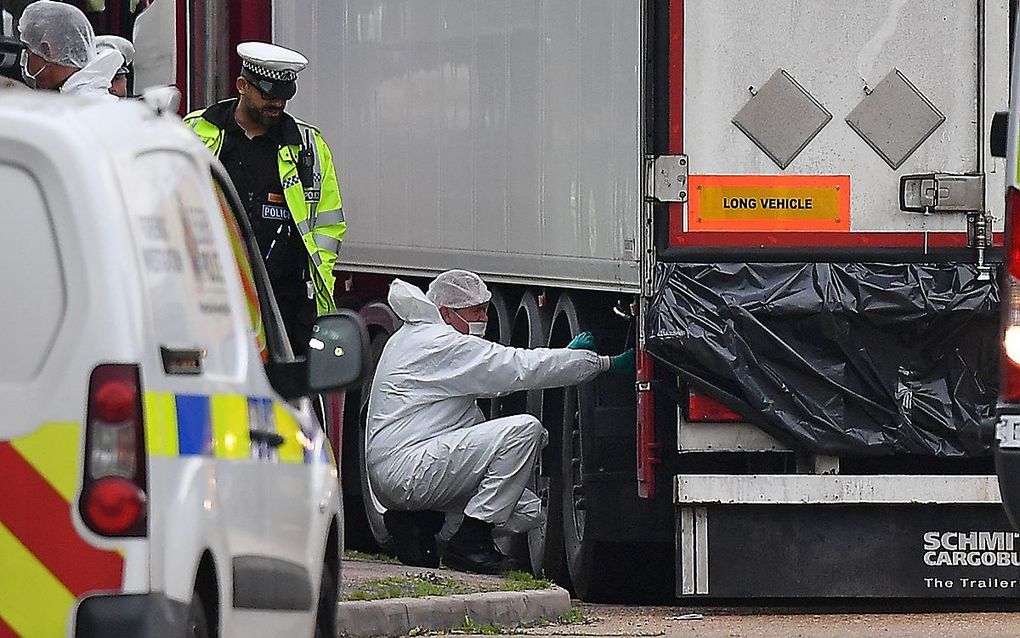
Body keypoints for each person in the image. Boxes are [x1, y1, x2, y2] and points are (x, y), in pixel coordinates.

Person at [366, 271, 635, 574]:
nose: (484, 317)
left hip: (406, 469)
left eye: (485, 308)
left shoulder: (413, 336)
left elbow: (494, 381)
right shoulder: (439, 343)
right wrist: (603, 363)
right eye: (475, 311)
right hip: (409, 469)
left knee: (526, 510)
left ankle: (420, 527)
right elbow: (515, 368)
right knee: (524, 432)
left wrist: (562, 357)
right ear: (445, 312)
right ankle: (470, 545)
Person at [184, 42, 345, 355]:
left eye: (284, 96)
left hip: (285, 303)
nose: (277, 103)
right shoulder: (194, 133)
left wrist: (317, 278)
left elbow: (330, 223)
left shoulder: (308, 145)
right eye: (268, 94)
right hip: (213, 298)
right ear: (243, 86)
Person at [17, 1, 121, 97]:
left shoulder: (73, 108)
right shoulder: (88, 95)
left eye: (28, 49)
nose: (25, 57)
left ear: (47, 51)